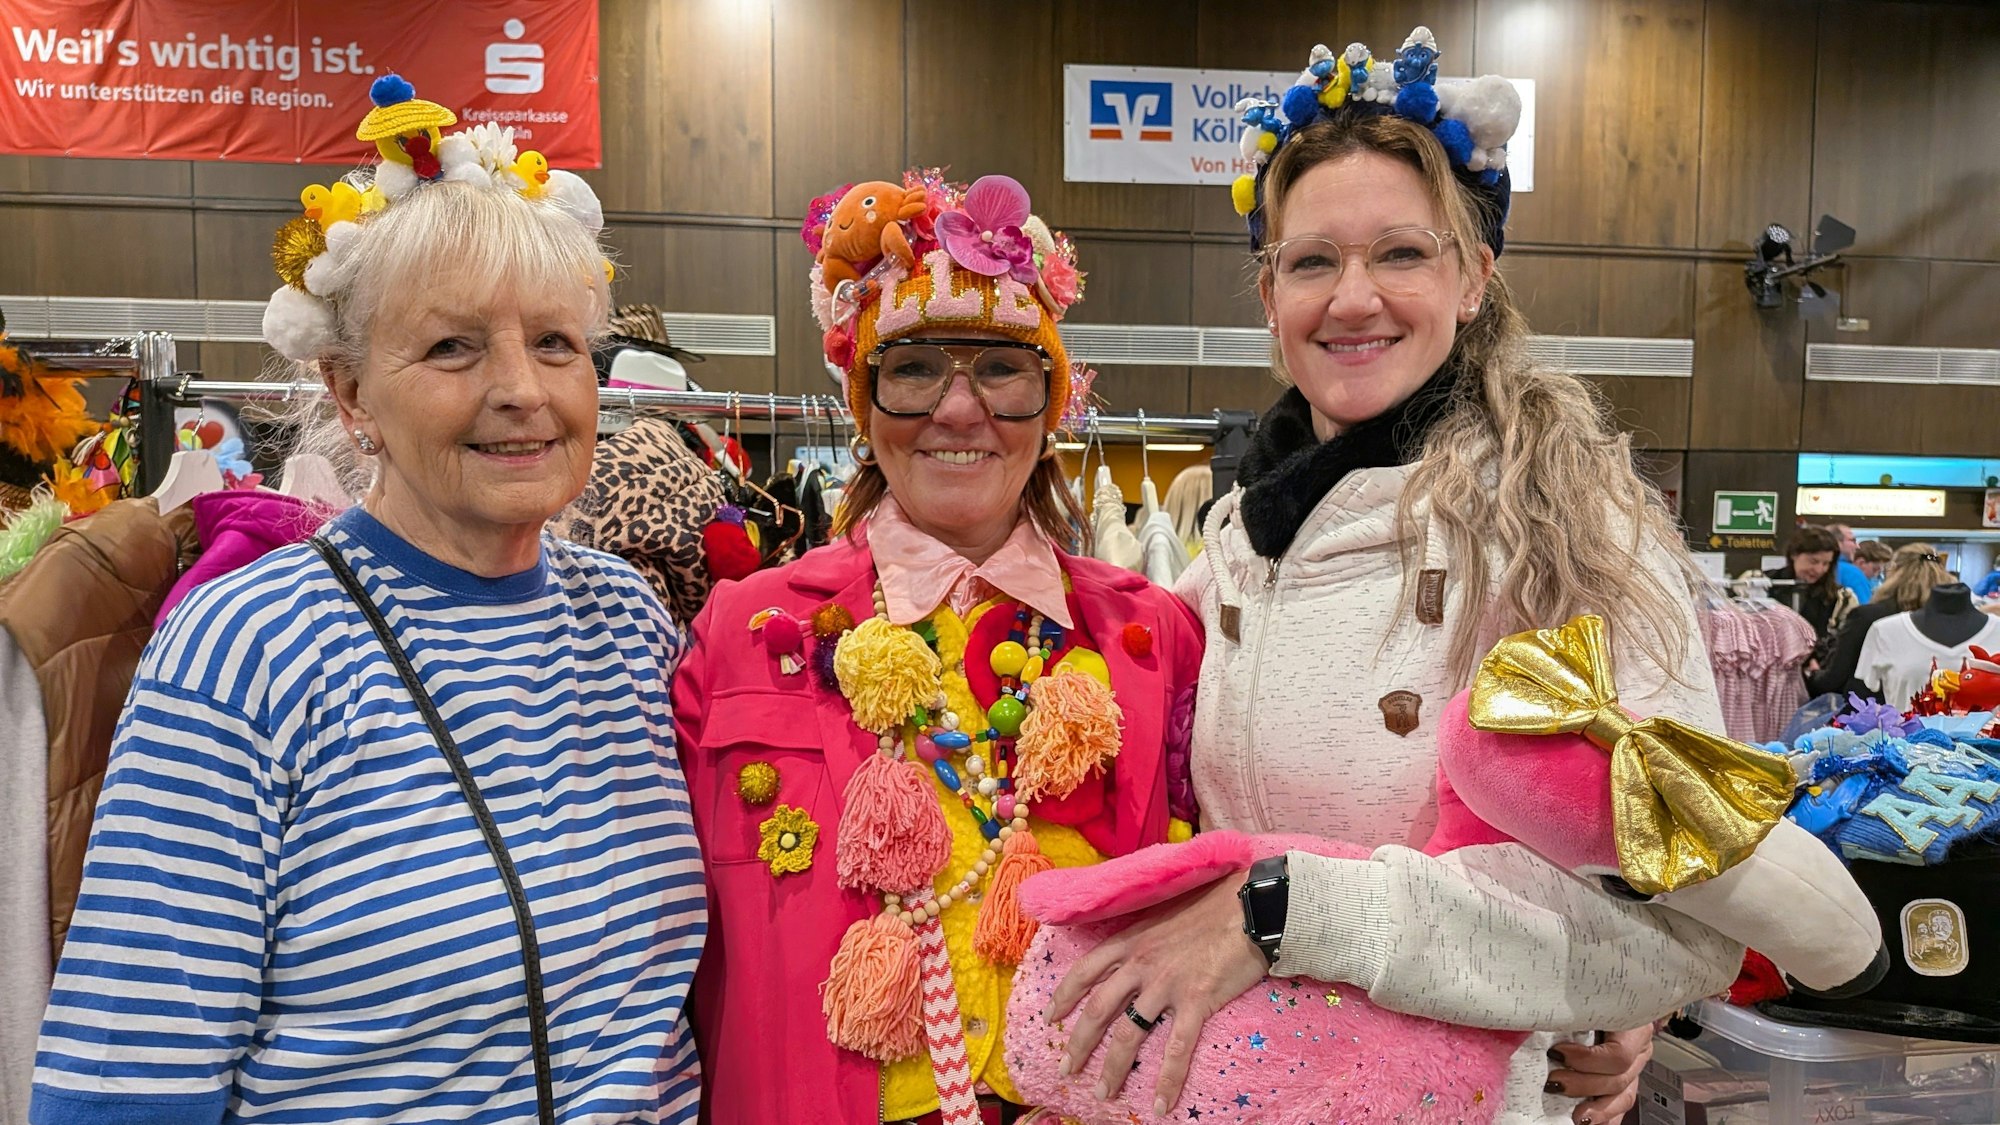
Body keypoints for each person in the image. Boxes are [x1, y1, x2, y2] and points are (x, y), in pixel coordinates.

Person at [1047, 28, 1744, 1125]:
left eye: (1400, 254)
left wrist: (1278, 912)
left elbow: (1678, 921)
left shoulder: (1572, 531)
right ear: (1268, 297)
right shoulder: (1227, 545)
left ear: (1472, 278)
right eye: (1311, 261)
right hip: (1228, 1094)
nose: (1352, 298)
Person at [29, 79, 705, 1124]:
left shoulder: (627, 622)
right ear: (350, 392)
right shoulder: (249, 646)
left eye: (558, 344)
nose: (523, 388)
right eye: (452, 346)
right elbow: (129, 1073)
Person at [671, 170, 1202, 1124]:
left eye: (1003, 367)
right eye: (914, 369)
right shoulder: (741, 633)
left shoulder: (1153, 633)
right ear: (862, 403)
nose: (960, 410)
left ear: (1053, 402)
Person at [1811, 542, 1953, 699]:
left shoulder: (1867, 616)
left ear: (1895, 572)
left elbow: (1835, 678)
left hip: (1873, 714)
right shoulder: (1949, 619)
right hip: (1933, 706)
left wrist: (1812, 674)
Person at [1766, 525, 1857, 648]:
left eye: (1826, 564)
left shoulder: (1842, 599)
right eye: (1813, 561)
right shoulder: (1763, 585)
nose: (1819, 569)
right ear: (1794, 555)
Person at [1828, 523, 1875, 602]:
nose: (1857, 546)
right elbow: (1865, 608)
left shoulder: (1817, 570)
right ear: (1837, 542)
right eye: (1852, 540)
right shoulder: (1850, 572)